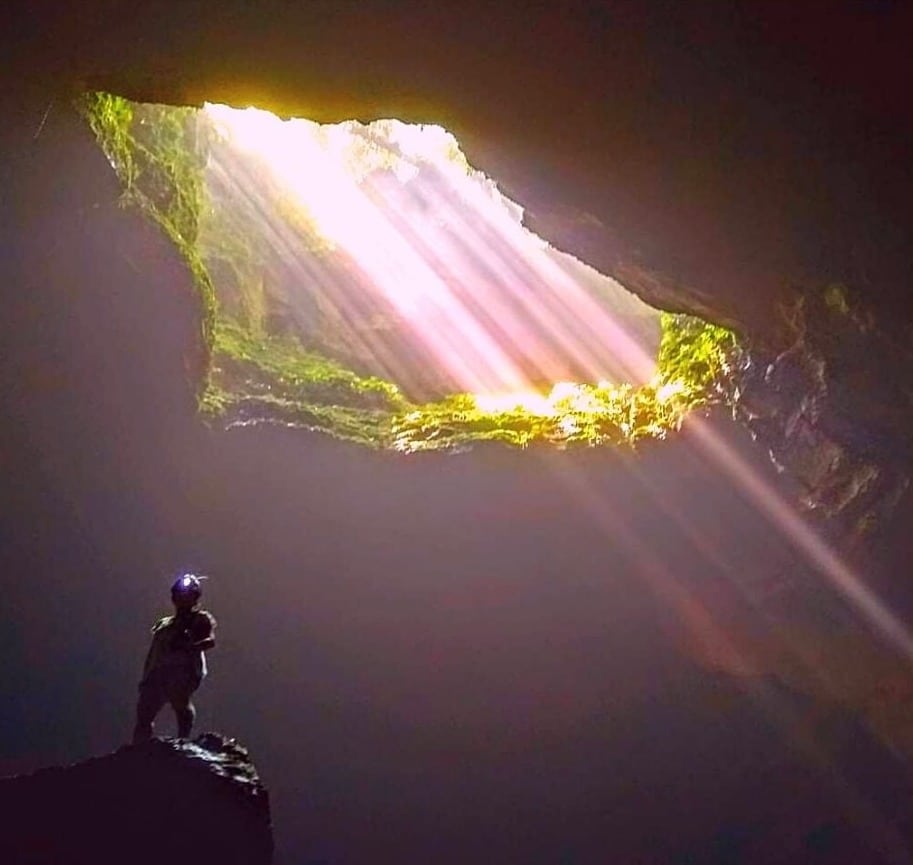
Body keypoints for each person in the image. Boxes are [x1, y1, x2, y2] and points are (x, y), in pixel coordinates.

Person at [132, 574, 216, 743]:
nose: (182, 598)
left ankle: (183, 739)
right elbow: (155, 652)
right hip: (157, 672)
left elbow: (209, 640)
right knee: (145, 712)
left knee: (180, 702)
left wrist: (189, 646)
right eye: (179, 594)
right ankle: (138, 748)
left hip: (183, 670)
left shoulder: (199, 619)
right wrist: (147, 675)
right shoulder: (164, 624)